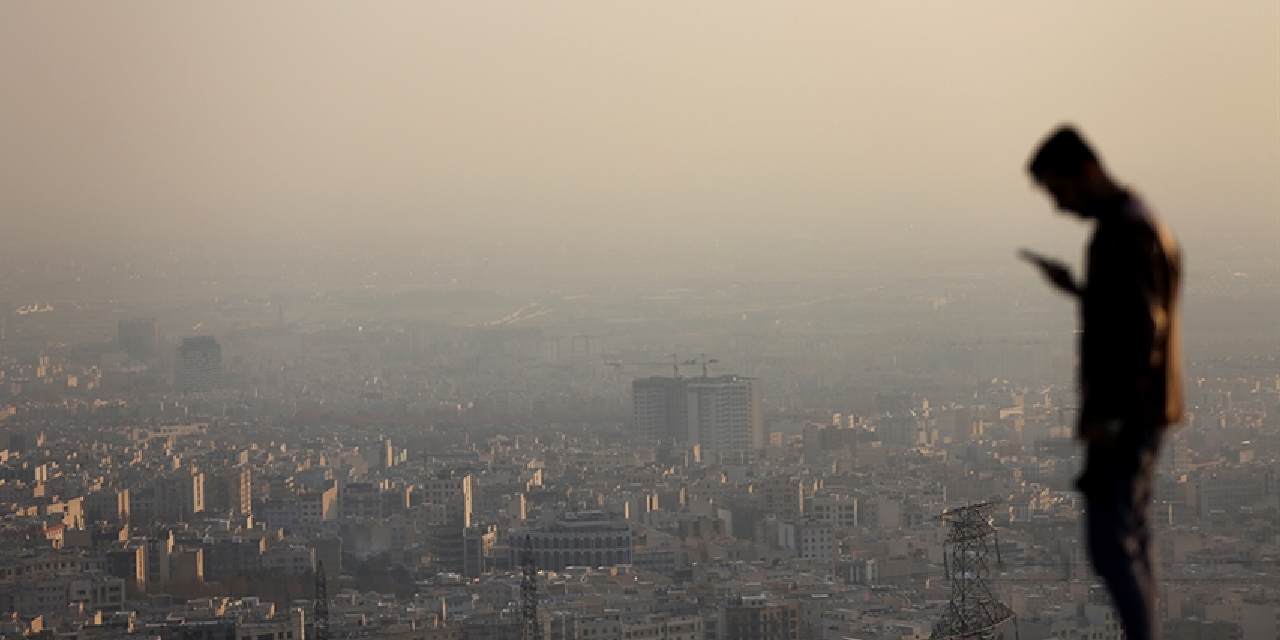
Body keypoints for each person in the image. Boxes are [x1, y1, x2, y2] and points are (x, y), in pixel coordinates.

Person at [1021, 125, 1183, 640]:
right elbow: (1131, 312)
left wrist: (1112, 419)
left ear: (1086, 171)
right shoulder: (1139, 222)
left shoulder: (1123, 233)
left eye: (1059, 191)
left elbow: (1142, 331)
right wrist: (1082, 292)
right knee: (1130, 537)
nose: (1060, 206)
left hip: (1126, 414)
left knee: (1112, 544)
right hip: (1140, 410)